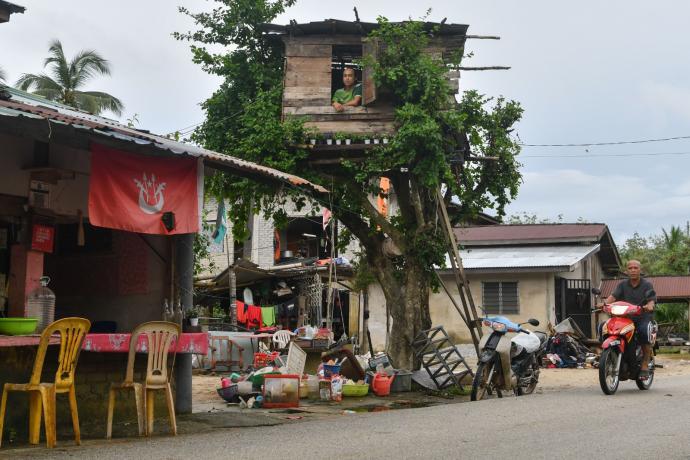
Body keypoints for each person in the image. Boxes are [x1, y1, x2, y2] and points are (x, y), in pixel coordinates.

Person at [604, 259, 656, 379]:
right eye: (630, 268)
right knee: (604, 327)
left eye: (635, 268)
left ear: (640, 270)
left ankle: (644, 364)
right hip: (625, 318)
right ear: (626, 271)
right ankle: (611, 357)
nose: (633, 270)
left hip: (642, 317)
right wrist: (604, 304)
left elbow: (651, 299)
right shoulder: (622, 284)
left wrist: (650, 305)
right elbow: (613, 297)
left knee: (643, 331)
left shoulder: (647, 284)